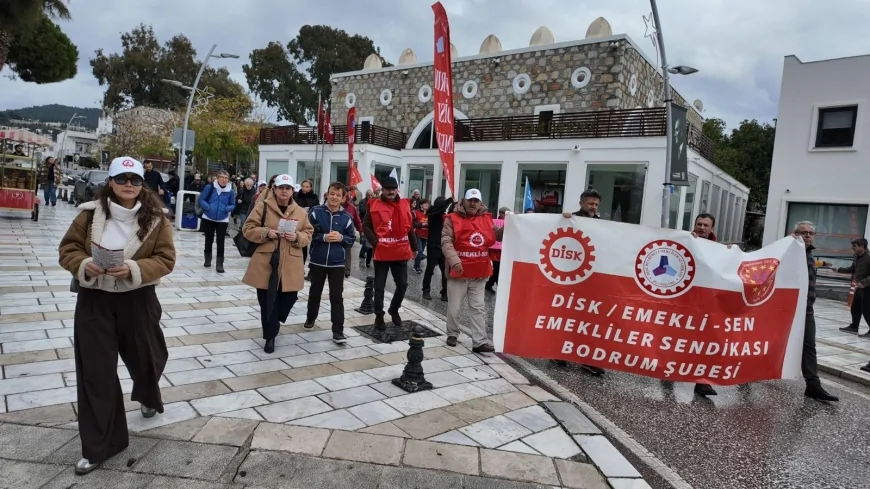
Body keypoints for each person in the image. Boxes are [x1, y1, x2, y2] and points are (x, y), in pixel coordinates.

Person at [58, 156, 175, 475]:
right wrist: (83, 265)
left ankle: (148, 393)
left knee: (147, 357)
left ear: (142, 184)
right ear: (110, 182)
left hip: (137, 300)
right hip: (94, 300)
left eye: (134, 180)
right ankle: (101, 445)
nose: (128, 185)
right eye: (121, 178)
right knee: (95, 373)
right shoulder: (89, 214)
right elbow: (67, 249)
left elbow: (166, 259)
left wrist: (134, 268)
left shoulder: (157, 219)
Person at [242, 174, 313, 353]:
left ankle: (276, 320)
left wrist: (298, 237)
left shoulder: (300, 211)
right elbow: (247, 229)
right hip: (266, 261)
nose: (284, 191)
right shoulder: (262, 206)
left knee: (289, 297)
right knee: (267, 301)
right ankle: (270, 336)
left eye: (287, 188)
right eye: (281, 187)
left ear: (292, 191)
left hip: (290, 262)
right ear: (275, 189)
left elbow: (308, 233)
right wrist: (266, 232)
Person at [441, 189, 503, 353]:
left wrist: (512, 221)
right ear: (464, 201)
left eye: (476, 200)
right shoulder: (452, 219)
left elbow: (497, 236)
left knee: (478, 308)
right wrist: (454, 261)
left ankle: (479, 341)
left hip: (479, 273)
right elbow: (446, 241)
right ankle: (452, 333)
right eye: (470, 200)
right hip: (458, 273)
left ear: (480, 203)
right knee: (454, 307)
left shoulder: (487, 219)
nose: (472, 203)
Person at [558, 189, 607, 376]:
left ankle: (588, 359)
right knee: (568, 318)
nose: (593, 207)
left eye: (596, 204)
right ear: (581, 203)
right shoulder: (570, 220)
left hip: (592, 280)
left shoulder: (601, 224)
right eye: (590, 204)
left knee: (589, 320)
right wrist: (562, 219)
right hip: (572, 277)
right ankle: (559, 352)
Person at [791, 221, 839, 402]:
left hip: (806, 311)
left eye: (811, 233)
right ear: (795, 234)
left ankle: (813, 385)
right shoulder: (787, 254)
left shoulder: (810, 256)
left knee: (809, 347)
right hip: (786, 312)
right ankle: (748, 374)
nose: (808, 235)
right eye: (803, 232)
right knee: (771, 344)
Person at [362, 176, 417, 329]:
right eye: (388, 189)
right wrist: (376, 242)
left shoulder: (405, 204)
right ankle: (379, 315)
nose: (391, 192)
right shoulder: (373, 205)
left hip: (399, 251)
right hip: (383, 253)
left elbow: (409, 227)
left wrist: (414, 247)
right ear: (383, 190)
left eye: (393, 189)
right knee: (379, 286)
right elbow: (366, 226)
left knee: (403, 284)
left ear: (396, 189)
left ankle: (394, 309)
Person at [306, 182, 357, 342]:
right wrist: (323, 237)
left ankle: (338, 331)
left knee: (336, 296)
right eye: (332, 194)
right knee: (315, 292)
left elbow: (351, 239)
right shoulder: (315, 212)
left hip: (337, 263)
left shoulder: (347, 218)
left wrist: (341, 238)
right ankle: (311, 317)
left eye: (338, 195)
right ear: (327, 195)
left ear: (343, 198)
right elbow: (306, 233)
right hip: (317, 261)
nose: (334, 197)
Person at [198, 170, 236, 273]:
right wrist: (208, 207)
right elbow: (201, 199)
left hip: (223, 219)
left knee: (221, 241)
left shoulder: (230, 191)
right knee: (208, 239)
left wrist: (227, 209)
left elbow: (233, 204)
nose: (224, 180)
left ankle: (219, 264)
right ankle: (208, 259)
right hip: (208, 217)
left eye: (226, 178)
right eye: (222, 177)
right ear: (218, 178)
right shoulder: (209, 187)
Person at [836, 238, 870, 336]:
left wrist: (864, 282)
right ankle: (854, 327)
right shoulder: (857, 256)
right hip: (860, 287)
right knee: (855, 307)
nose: (852, 248)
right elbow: (852, 269)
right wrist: (839, 270)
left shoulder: (868, 257)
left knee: (867, 309)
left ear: (862, 247)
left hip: (868, 287)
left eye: (854, 246)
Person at [422, 196, 454, 301]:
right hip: (433, 245)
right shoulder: (433, 213)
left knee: (445, 271)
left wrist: (455, 203)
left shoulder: (444, 215)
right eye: (443, 204)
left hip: (443, 246)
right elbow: (441, 208)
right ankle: (426, 290)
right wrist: (449, 200)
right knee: (430, 269)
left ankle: (445, 292)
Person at [295, 179, 320, 277]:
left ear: (311, 188)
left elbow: (317, 209)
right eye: (303, 186)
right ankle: (299, 267)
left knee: (310, 246)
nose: (305, 188)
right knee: (301, 246)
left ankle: (309, 268)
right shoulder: (296, 196)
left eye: (307, 187)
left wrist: (310, 210)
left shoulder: (314, 197)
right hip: (298, 223)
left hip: (310, 223)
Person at [486, 206, 510, 292]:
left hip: (502, 249)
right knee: (497, 268)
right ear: (500, 213)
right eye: (505, 214)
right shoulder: (494, 222)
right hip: (495, 250)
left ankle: (489, 284)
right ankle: (498, 286)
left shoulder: (509, 223)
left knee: (498, 268)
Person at [342, 192, 362, 278]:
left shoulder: (351, 207)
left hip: (348, 233)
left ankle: (347, 270)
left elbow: (357, 221)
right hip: (335, 232)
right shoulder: (334, 206)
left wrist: (361, 232)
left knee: (347, 251)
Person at [413, 199, 430, 274]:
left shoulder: (430, 214)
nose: (427, 204)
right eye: (425, 203)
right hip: (418, 234)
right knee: (419, 250)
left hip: (425, 236)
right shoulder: (416, 212)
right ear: (421, 205)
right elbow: (413, 223)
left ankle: (416, 263)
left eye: (427, 203)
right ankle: (417, 267)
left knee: (421, 251)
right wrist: (421, 225)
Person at [358, 189, 373, 260]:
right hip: (364, 222)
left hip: (371, 223)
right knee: (366, 239)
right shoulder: (362, 202)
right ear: (366, 195)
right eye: (368, 195)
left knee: (368, 239)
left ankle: (363, 253)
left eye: (371, 195)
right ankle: (362, 253)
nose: (370, 196)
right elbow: (362, 211)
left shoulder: (374, 201)